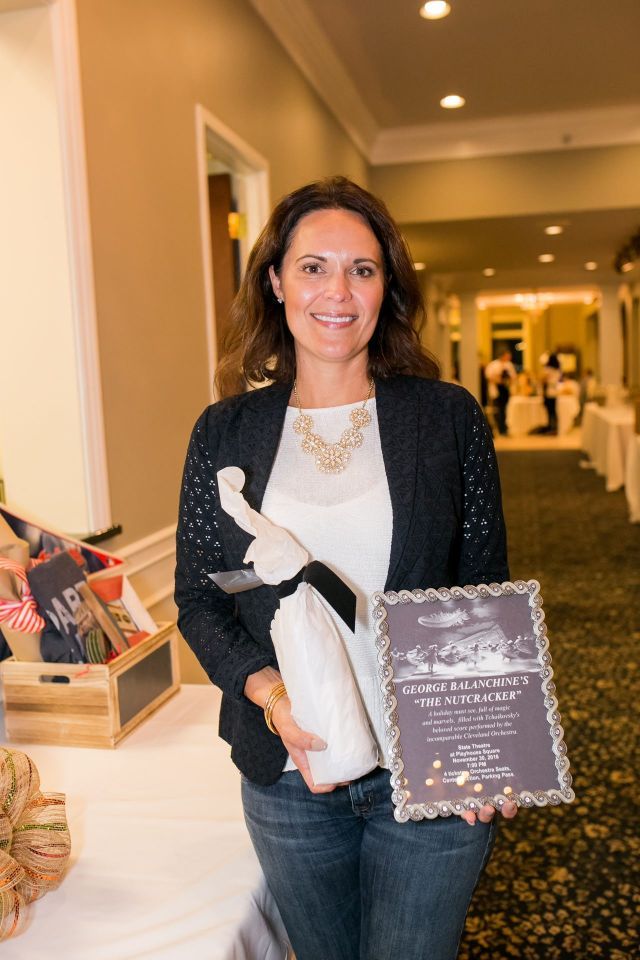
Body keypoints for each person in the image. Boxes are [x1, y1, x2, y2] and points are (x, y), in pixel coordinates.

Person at [175, 176, 517, 960]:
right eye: (313, 267)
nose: (338, 291)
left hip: (428, 770)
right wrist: (270, 695)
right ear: (275, 281)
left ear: (386, 286)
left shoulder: (446, 418)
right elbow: (198, 597)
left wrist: (490, 743)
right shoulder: (224, 431)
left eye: (362, 269)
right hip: (292, 777)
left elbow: (483, 587)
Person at [484, 350, 516, 435]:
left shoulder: (509, 365)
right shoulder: (493, 365)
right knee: (497, 409)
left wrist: (507, 381)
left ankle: (504, 427)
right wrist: (499, 380)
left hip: (505, 389)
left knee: (504, 408)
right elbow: (489, 377)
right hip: (496, 390)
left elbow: (513, 377)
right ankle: (498, 427)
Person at [541, 352, 562, 433]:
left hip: (549, 391)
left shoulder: (548, 369)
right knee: (554, 410)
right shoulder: (558, 370)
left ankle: (550, 427)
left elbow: (543, 379)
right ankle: (555, 427)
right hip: (555, 391)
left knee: (550, 411)